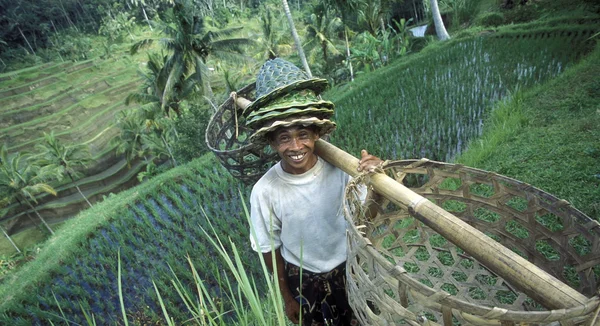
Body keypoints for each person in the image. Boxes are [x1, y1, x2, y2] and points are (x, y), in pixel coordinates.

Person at [245, 58, 383, 326]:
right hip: (304, 281)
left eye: (303, 134)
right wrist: (287, 297)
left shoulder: (341, 169)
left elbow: (369, 216)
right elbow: (269, 249)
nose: (295, 146)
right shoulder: (265, 191)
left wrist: (374, 180)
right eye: (284, 138)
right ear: (272, 142)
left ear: (317, 133)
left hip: (350, 270)